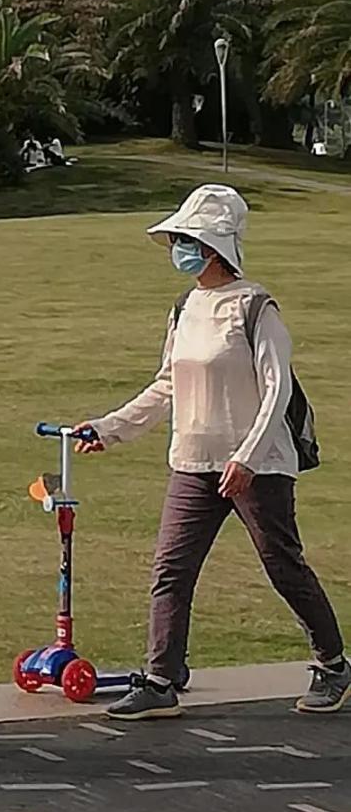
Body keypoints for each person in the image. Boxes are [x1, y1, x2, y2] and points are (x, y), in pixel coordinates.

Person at [76, 184, 348, 720]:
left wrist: (247, 456)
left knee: (282, 565)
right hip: (193, 462)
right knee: (171, 569)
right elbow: (166, 385)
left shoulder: (255, 307)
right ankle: (160, 679)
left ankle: (334, 665)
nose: (178, 249)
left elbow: (277, 388)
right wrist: (110, 428)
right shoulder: (185, 308)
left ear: (212, 246)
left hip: (257, 467)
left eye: (185, 239)